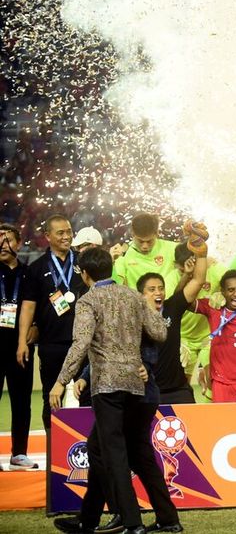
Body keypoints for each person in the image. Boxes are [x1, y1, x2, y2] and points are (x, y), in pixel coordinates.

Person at [48, 247, 169, 534]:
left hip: (108, 387)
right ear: (110, 269)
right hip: (137, 386)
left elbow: (80, 344)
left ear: (85, 274)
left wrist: (60, 380)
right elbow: (161, 332)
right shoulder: (132, 295)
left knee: (114, 455)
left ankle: (132, 523)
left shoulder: (88, 301)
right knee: (101, 449)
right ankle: (88, 519)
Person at [58, 328, 181, 534]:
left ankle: (123, 516)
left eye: (157, 291)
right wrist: (85, 377)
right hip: (138, 396)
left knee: (103, 450)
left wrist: (146, 367)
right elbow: (104, 353)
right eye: (152, 291)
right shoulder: (121, 311)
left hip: (127, 397)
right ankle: (165, 518)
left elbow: (145, 348)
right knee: (136, 456)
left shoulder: (131, 312)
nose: (157, 293)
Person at [17, 214, 88, 430]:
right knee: (52, 398)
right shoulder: (37, 268)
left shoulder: (84, 262)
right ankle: (53, 452)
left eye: (69, 231)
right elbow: (28, 306)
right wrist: (22, 341)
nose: (67, 236)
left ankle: (91, 451)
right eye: (60, 233)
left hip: (83, 343)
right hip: (52, 344)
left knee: (88, 398)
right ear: (48, 236)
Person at [137, 224, 208, 405]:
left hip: (177, 390)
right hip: (146, 390)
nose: (158, 293)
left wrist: (201, 253)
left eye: (160, 288)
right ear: (141, 295)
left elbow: (199, 280)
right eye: (151, 289)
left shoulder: (171, 308)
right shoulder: (133, 318)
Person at [192, 270, 236, 403]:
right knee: (225, 424)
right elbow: (185, 300)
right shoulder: (213, 307)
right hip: (223, 382)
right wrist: (189, 275)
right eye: (230, 290)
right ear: (223, 291)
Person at [0, 223, 36, 470]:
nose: (3, 245)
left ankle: (19, 453)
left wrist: (36, 329)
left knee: (22, 400)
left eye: (8, 240)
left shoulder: (29, 273)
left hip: (20, 347)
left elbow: (36, 307)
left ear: (19, 243)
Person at [112, 213, 181, 294]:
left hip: (169, 304)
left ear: (156, 233)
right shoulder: (123, 255)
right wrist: (112, 262)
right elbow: (115, 287)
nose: (145, 246)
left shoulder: (173, 249)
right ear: (133, 234)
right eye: (140, 241)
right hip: (138, 305)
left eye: (149, 241)